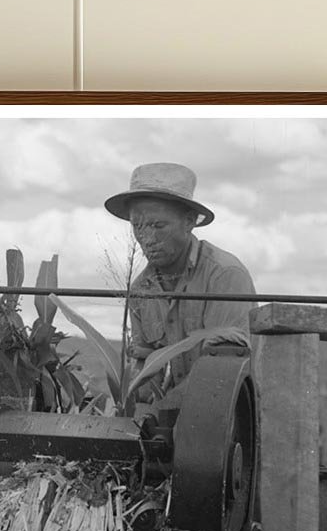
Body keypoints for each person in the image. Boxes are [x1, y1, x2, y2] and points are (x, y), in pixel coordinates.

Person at [104, 162, 256, 406]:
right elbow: (145, 364)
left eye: (158, 226)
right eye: (137, 226)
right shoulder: (141, 290)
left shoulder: (224, 275)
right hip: (173, 413)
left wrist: (162, 409)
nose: (146, 238)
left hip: (228, 413)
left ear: (189, 222)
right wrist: (128, 405)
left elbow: (221, 369)